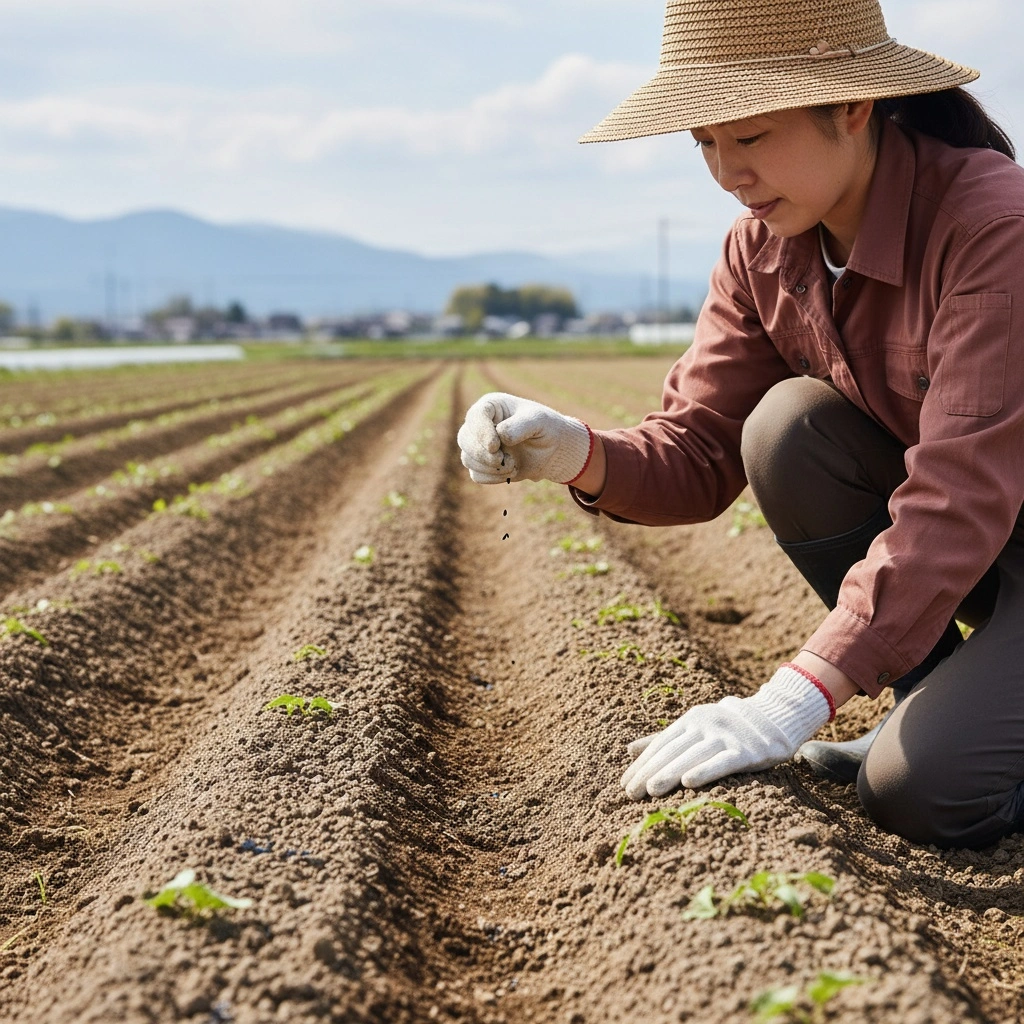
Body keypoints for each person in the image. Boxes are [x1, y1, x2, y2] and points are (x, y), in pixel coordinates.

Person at [457, 0, 1024, 850]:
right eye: (705, 144)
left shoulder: (992, 227)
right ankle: (936, 698)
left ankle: (962, 740)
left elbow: (959, 494)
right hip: (995, 549)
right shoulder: (762, 249)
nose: (727, 171)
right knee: (787, 428)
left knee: (922, 793)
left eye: (750, 138)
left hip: (984, 523)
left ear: (852, 106)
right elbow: (698, 450)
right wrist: (571, 450)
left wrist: (793, 698)